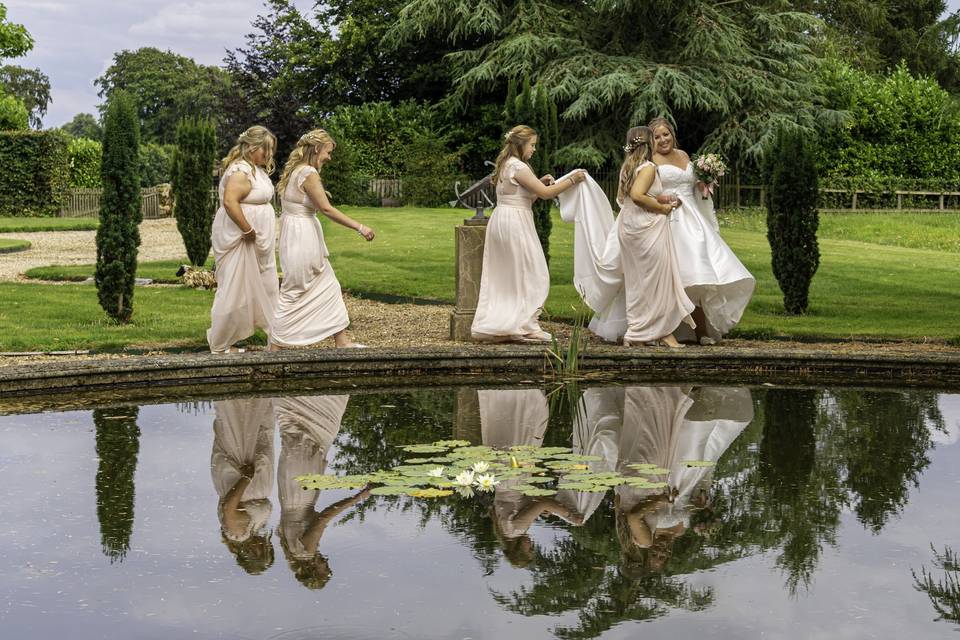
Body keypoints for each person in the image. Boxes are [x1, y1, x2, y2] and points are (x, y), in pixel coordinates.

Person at [471, 125, 586, 343]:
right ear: (521, 144)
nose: (534, 149)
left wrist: (538, 183)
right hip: (515, 222)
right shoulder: (518, 167)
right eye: (532, 145)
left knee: (511, 275)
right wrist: (572, 179)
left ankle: (515, 323)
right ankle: (525, 324)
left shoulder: (506, 164)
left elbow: (525, 196)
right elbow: (544, 195)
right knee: (534, 272)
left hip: (503, 218)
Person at [649, 117, 755, 345]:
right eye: (657, 137)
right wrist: (665, 199)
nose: (662, 140)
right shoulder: (651, 161)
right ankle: (660, 329)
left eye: (665, 134)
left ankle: (702, 331)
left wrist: (704, 183)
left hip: (694, 219)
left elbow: (693, 185)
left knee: (700, 274)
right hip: (669, 218)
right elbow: (645, 193)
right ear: (651, 141)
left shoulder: (684, 155)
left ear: (672, 134)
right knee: (676, 274)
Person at [271, 129, 375, 349]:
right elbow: (326, 209)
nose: (329, 157)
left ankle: (342, 341)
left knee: (328, 285)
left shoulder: (296, 170)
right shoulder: (308, 172)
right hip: (303, 238)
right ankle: (275, 345)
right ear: (317, 149)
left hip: (296, 234)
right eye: (328, 152)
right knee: (294, 289)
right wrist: (360, 227)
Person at [275, 394, 370, 589]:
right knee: (295, 431)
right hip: (289, 490)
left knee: (314, 432)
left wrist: (358, 497)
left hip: (301, 491)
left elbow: (324, 518)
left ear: (313, 569)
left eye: (324, 568)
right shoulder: (289, 547)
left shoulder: (305, 552)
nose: (326, 563)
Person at [616, 126, 695, 348]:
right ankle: (662, 333)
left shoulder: (629, 167)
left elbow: (624, 197)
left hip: (629, 227)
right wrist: (664, 209)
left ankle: (637, 332)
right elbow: (638, 195)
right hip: (646, 229)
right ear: (649, 142)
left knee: (638, 283)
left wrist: (664, 198)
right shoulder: (649, 167)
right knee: (659, 283)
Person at [207, 126, 280, 353]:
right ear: (250, 147)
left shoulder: (255, 169)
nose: (269, 155)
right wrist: (247, 230)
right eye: (265, 150)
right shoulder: (240, 171)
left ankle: (276, 340)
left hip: (259, 245)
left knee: (267, 287)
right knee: (234, 289)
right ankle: (220, 343)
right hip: (241, 241)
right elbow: (230, 202)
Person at [210, 398, 276, 574]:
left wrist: (246, 478)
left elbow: (229, 507)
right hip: (252, 466)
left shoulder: (238, 533)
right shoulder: (251, 531)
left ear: (254, 553)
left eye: (265, 552)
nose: (267, 546)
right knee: (256, 422)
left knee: (239, 423)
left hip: (241, 470)